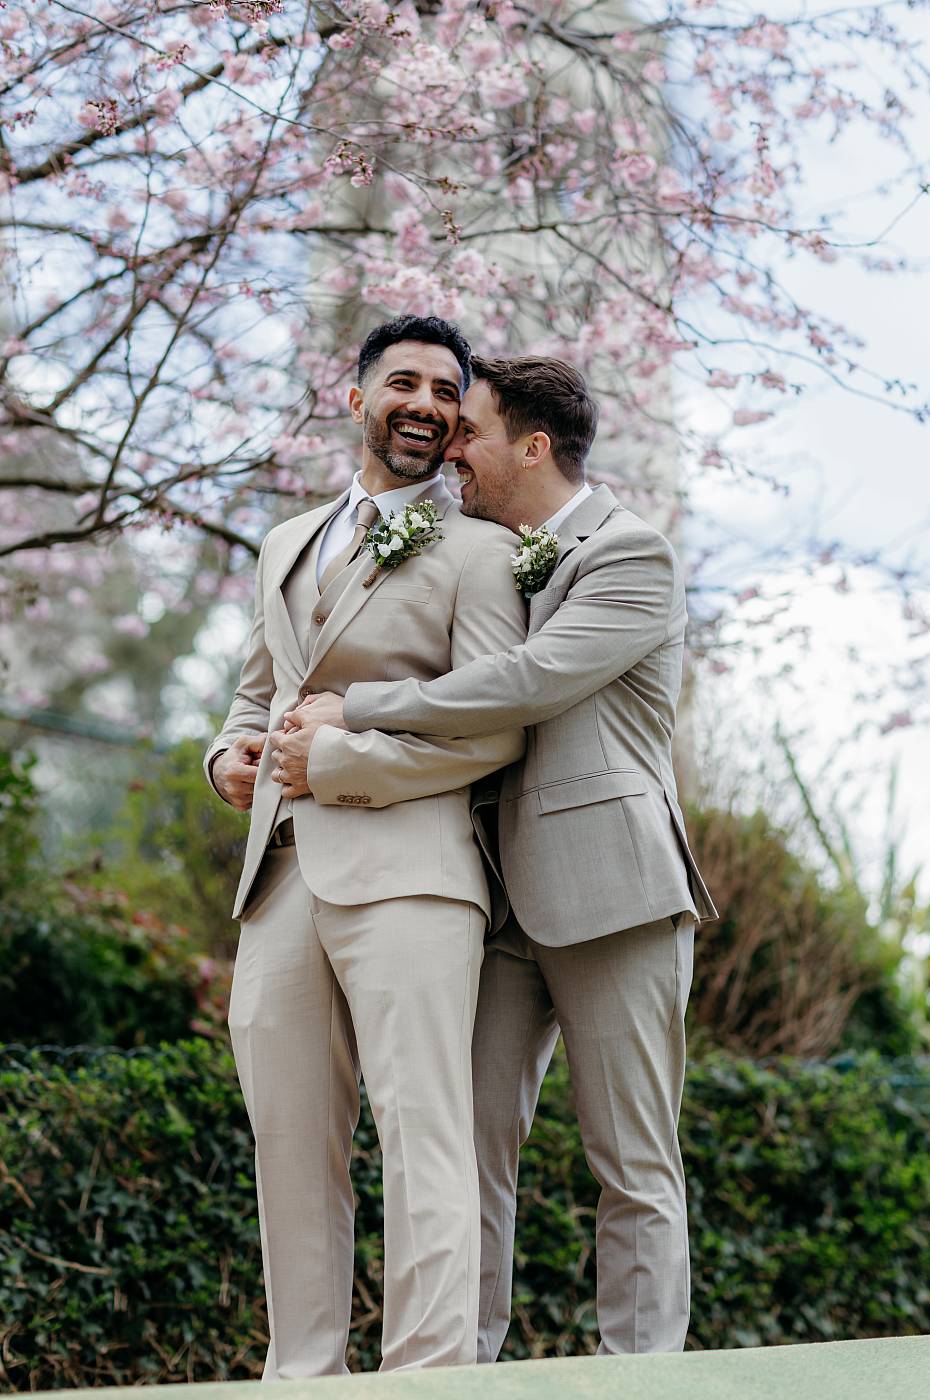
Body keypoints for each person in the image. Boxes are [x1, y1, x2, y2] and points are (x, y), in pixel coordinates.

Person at [296, 355, 718, 1358]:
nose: (452, 450)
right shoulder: (492, 551)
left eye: (471, 432)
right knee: (471, 1153)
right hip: (496, 903)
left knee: (631, 1161)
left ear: (530, 445)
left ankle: (640, 1379)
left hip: (614, 893)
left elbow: (527, 681)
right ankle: (463, 1371)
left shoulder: (632, 554)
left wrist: (356, 707)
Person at [204, 316, 527, 1376]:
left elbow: (489, 726)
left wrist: (340, 761)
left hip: (413, 875)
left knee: (422, 1134)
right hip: (279, 876)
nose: (426, 403)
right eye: (405, 381)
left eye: (446, 389)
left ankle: (426, 1378)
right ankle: (301, 1376)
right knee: (289, 1146)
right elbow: (255, 698)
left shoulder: (482, 552)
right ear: (358, 399)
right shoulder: (284, 542)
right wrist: (228, 761)